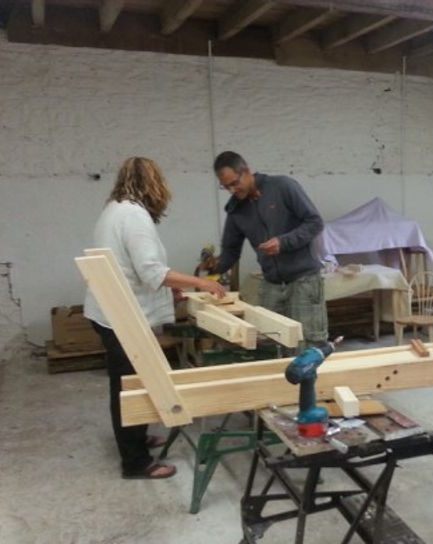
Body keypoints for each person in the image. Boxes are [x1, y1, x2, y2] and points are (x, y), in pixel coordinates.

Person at [84, 157, 226, 480]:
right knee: (131, 386)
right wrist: (201, 282)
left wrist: (168, 291)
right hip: (120, 316)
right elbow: (151, 271)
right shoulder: (134, 216)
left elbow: (130, 267)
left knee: (130, 382)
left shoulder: (114, 210)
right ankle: (135, 462)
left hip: (110, 310)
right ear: (153, 185)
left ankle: (136, 435)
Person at [213, 151, 328, 345]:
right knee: (268, 341)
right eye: (226, 187)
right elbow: (231, 251)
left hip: (303, 280)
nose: (232, 190)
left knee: (307, 343)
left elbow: (315, 222)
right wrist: (212, 272)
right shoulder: (235, 210)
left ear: (246, 171)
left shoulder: (282, 186)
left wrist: (283, 242)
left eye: (234, 183)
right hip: (271, 282)